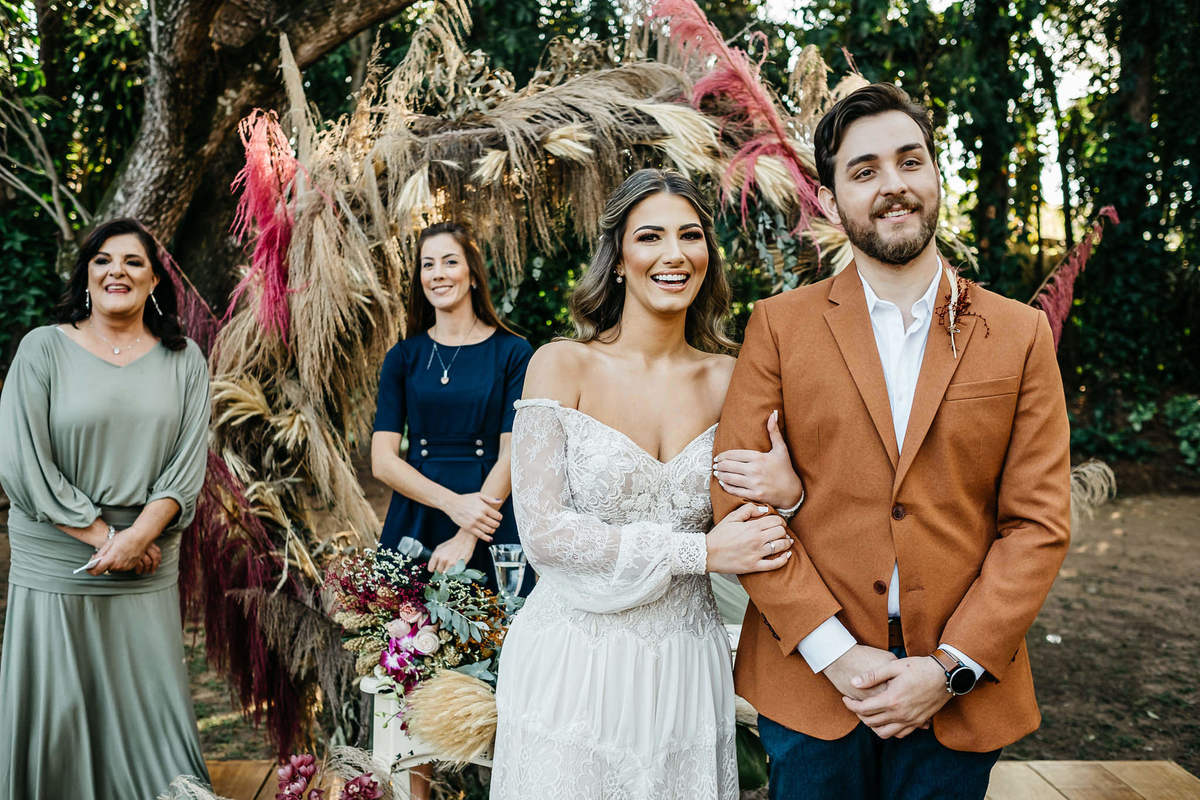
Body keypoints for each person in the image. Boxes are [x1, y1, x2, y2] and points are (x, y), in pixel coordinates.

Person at [711, 83, 1071, 800]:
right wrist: (837, 656)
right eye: (865, 170)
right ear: (828, 195)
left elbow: (1037, 524)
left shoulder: (1019, 334)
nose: (893, 186)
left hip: (958, 697)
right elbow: (738, 510)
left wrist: (948, 670)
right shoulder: (778, 327)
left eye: (910, 162)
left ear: (936, 174)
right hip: (813, 687)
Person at [491, 169, 802, 799]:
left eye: (690, 236)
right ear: (617, 260)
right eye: (650, 236)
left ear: (707, 259)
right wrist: (700, 553)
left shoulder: (733, 379)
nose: (673, 254)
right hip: (575, 660)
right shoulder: (560, 365)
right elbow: (544, 534)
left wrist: (789, 492)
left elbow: (764, 527)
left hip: (686, 661)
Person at [0, 218, 212, 798]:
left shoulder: (185, 359)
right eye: (103, 260)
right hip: (59, 558)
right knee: (58, 706)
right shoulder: (42, 349)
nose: (116, 270)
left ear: (153, 282)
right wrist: (107, 541)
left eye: (133, 262)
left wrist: (139, 537)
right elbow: (23, 460)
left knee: (152, 708)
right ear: (86, 275)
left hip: (147, 560)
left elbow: (186, 466)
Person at [371, 221, 532, 589]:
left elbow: (512, 452)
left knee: (501, 638)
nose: (437, 274)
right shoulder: (403, 357)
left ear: (472, 274)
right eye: (427, 265)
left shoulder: (514, 352)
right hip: (417, 515)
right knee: (406, 640)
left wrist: (467, 532)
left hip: (490, 514)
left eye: (449, 262)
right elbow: (382, 461)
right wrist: (453, 505)